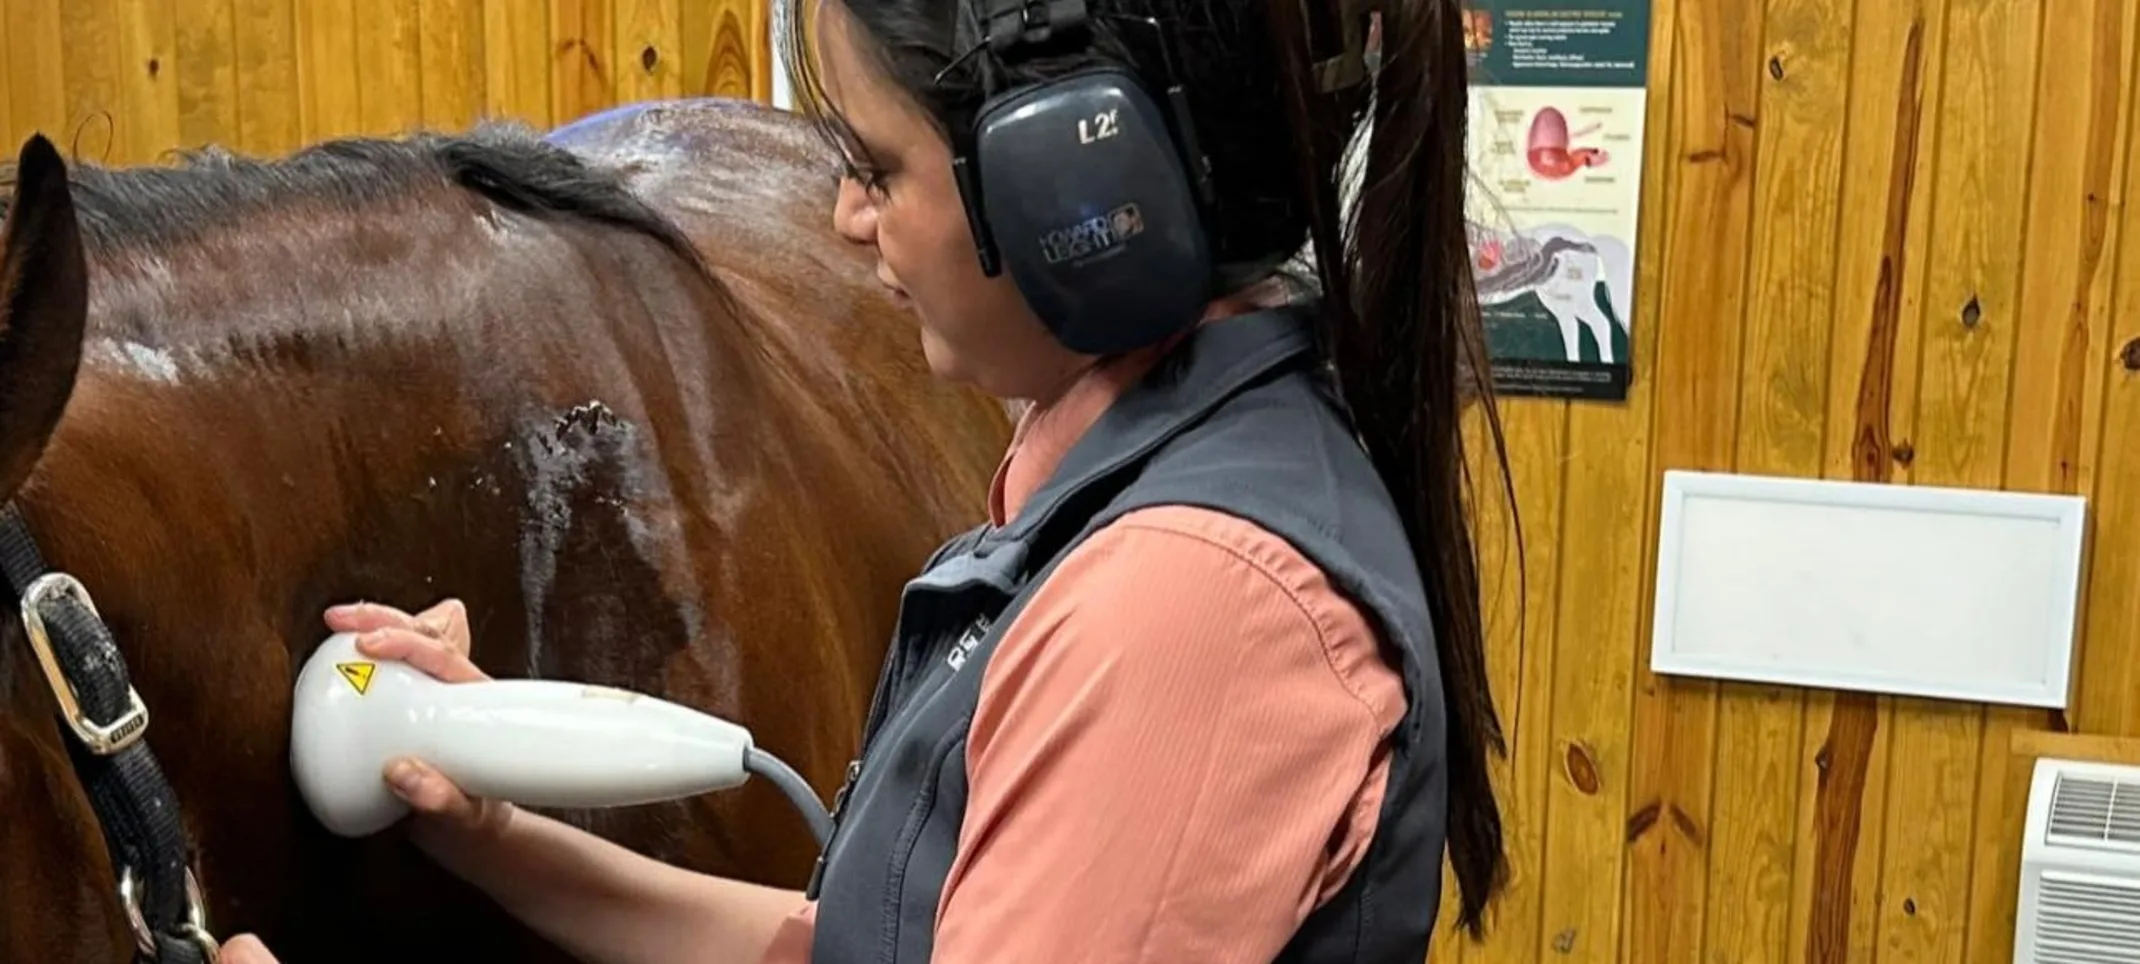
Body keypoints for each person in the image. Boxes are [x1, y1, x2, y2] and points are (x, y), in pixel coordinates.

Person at [221, 0, 1514, 960]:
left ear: (1080, 191)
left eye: (878, 166)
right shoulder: (1123, 494)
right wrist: (488, 829)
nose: (844, 215)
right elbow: (844, 945)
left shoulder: (1189, 605)